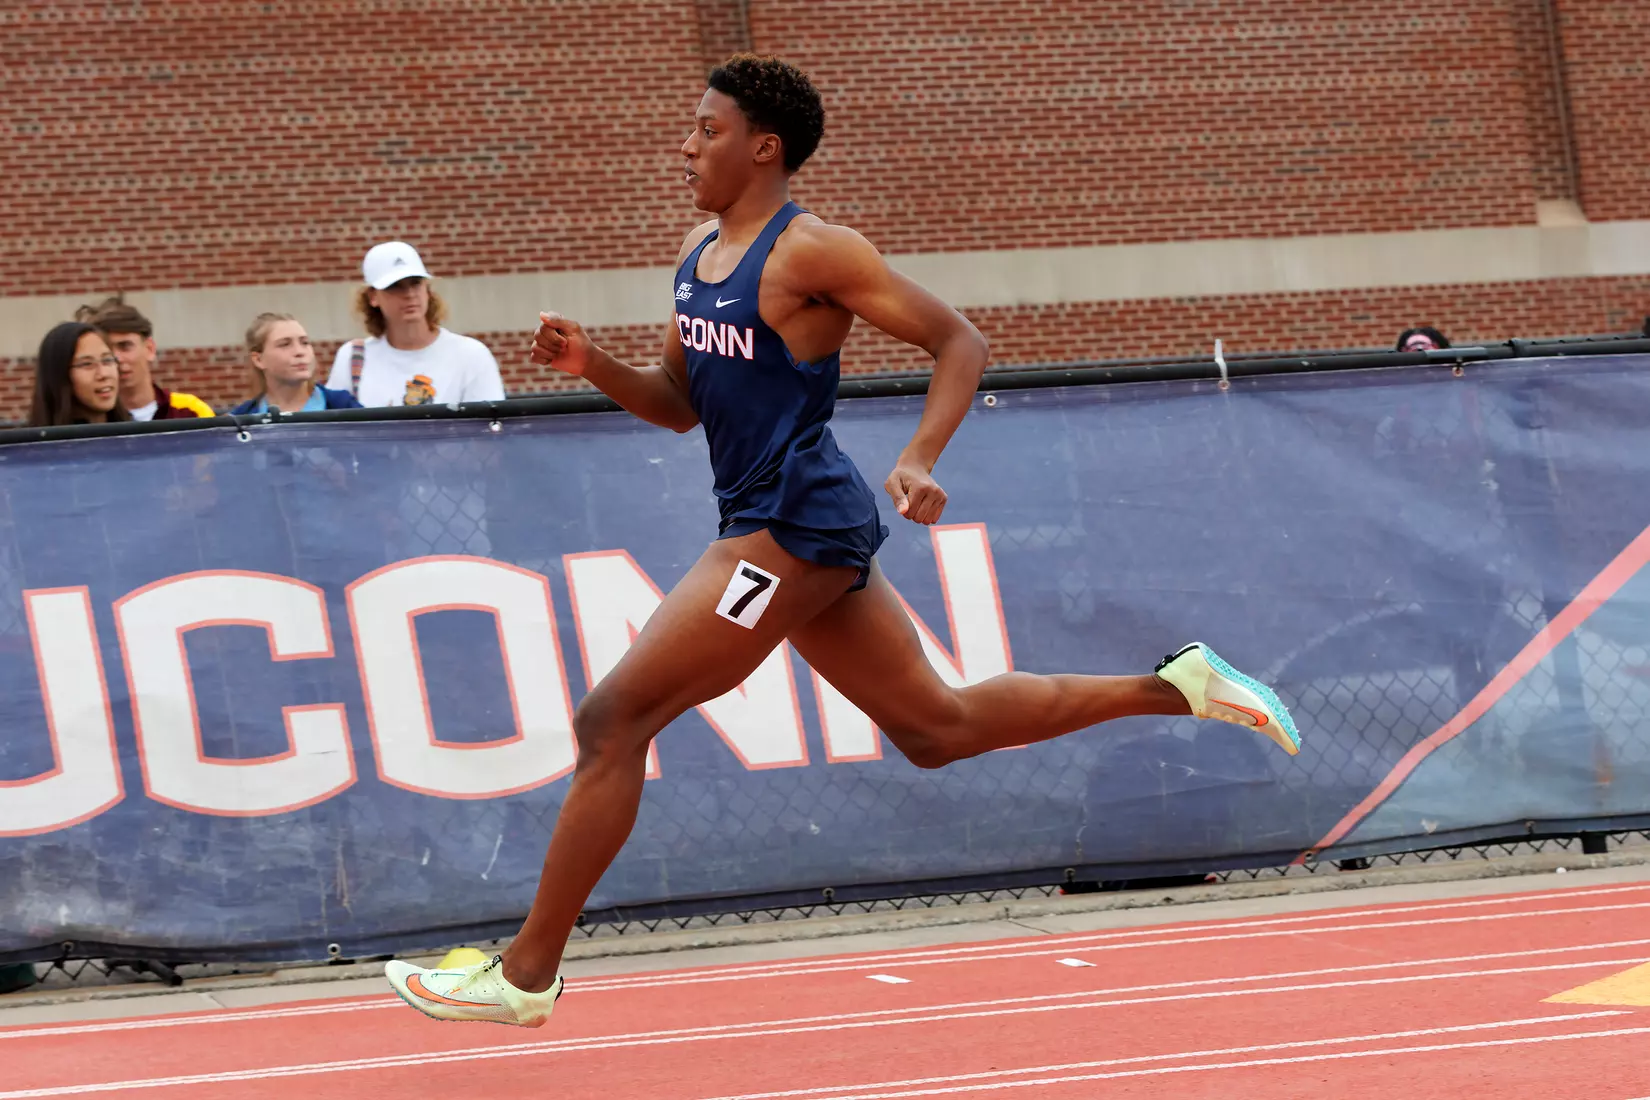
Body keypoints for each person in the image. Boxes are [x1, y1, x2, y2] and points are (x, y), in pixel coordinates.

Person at [383, 55, 1302, 1029]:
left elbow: (959, 341)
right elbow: (676, 405)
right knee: (935, 729)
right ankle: (1183, 684)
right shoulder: (698, 255)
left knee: (611, 722)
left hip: (792, 529)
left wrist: (918, 455)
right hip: (777, 525)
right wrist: (590, 363)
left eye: (706, 129)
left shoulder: (814, 252)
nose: (685, 145)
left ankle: (527, 972)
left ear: (762, 146)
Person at [324, 242, 505, 407]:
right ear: (373, 297)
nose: (409, 294)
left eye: (416, 283)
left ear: (427, 289)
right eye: (395, 286)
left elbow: (489, 432)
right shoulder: (352, 357)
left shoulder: (471, 355)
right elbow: (336, 431)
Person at [77, 298, 214, 420]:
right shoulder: (92, 419)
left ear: (149, 348)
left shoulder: (189, 412)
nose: (116, 358)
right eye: (107, 352)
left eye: (125, 346)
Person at [230, 313, 363, 415]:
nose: (299, 352)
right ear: (258, 359)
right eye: (285, 344)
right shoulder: (240, 421)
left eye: (305, 342)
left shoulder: (343, 406)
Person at [30, 322, 131, 427]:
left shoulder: (139, 435)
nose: (103, 374)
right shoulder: (36, 442)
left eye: (107, 360)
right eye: (87, 364)